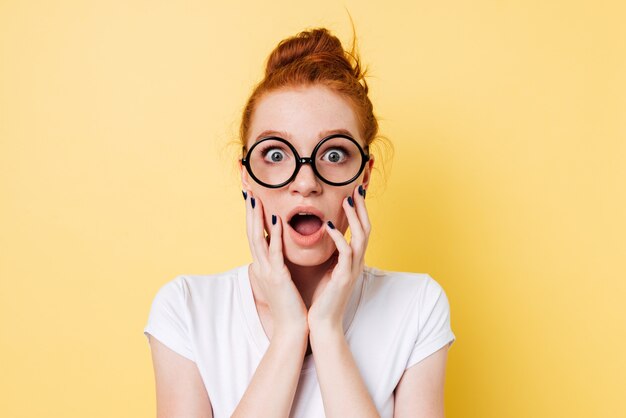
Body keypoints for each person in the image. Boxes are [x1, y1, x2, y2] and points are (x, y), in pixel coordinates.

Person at [144, 27, 456, 418]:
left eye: (334, 154)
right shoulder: (186, 310)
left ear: (365, 175)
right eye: (276, 155)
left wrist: (326, 331)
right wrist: (291, 333)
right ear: (246, 175)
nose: (305, 183)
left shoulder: (417, 306)